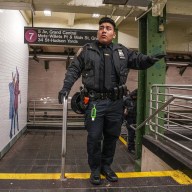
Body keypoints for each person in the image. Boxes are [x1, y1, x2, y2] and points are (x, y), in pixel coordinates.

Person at [58, 17, 165, 185]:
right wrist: (65, 88)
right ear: (98, 31)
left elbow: (138, 60)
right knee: (94, 137)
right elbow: (73, 70)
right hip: (94, 103)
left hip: (116, 103)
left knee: (112, 137)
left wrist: (150, 59)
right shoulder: (87, 50)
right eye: (101, 27)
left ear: (113, 33)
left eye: (108, 28)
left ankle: (106, 166)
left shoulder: (122, 51)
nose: (104, 30)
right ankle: (94, 169)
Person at [123, 89, 137, 154]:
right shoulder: (126, 99)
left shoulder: (138, 99)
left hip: (136, 117)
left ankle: (133, 147)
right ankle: (131, 148)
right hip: (130, 118)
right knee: (131, 133)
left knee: (135, 133)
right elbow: (122, 108)